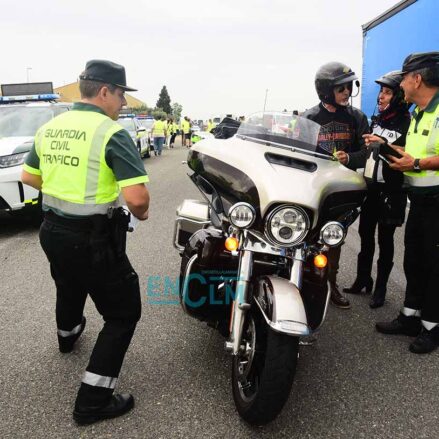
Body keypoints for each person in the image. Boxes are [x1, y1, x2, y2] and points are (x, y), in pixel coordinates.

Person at [21, 60, 150, 423]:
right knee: (123, 314)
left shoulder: (51, 127)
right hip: (93, 238)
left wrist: (66, 196)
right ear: (105, 91)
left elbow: (29, 177)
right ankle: (93, 401)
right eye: (122, 93)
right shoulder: (111, 133)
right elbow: (138, 200)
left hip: (52, 231)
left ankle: (68, 335)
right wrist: (140, 215)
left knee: (69, 281)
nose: (124, 102)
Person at [366, 52, 439, 354]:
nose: (401, 85)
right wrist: (388, 147)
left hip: (437, 202)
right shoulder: (420, 113)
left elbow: (419, 158)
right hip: (419, 201)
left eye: (405, 78)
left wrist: (417, 162)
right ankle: (410, 317)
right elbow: (411, 151)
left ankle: (432, 329)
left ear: (417, 79)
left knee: (435, 267)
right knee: (415, 261)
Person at [303, 61, 369, 309]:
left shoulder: (357, 117)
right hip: (314, 188)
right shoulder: (310, 118)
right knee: (308, 236)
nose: (347, 92)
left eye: (350, 86)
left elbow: (367, 151)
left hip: (343, 191)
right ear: (326, 90)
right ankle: (306, 281)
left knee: (334, 238)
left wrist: (350, 158)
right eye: (341, 88)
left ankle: (330, 283)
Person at [344, 71, 411, 308]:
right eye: (381, 92)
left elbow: (407, 158)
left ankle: (381, 288)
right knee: (365, 235)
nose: (381, 96)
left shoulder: (408, 123)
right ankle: (363, 279)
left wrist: (384, 145)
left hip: (392, 191)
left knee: (386, 240)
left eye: (387, 92)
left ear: (400, 97)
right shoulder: (377, 120)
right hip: (372, 188)